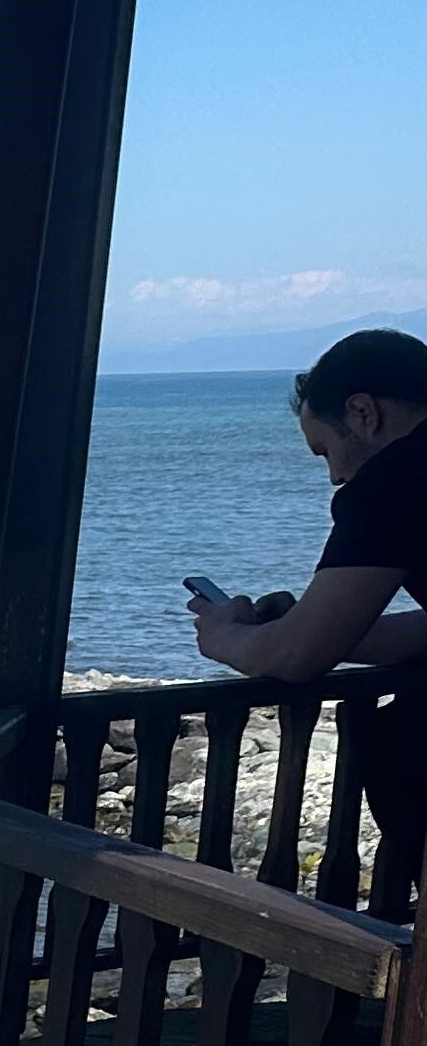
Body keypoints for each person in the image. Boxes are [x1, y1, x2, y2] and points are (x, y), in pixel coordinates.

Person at [193, 327, 427, 904]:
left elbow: (297, 659)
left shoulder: (396, 479)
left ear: (363, 412)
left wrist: (224, 637)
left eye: (326, 450)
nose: (335, 476)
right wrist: (313, 622)